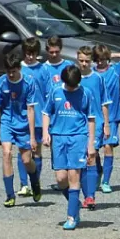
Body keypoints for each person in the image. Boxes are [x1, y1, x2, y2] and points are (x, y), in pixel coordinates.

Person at [42, 65, 96, 230]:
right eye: (70, 86)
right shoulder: (55, 91)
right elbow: (46, 112)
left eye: (75, 86)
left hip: (78, 138)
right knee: (61, 179)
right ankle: (76, 203)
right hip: (58, 138)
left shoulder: (86, 93)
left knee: (74, 176)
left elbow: (91, 118)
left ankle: (71, 216)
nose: (72, 89)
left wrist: (91, 143)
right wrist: (46, 132)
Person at [0, 53, 41, 207]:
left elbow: (31, 109)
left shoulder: (29, 82)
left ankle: (34, 181)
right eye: (8, 71)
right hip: (7, 123)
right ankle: (10, 195)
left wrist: (32, 137)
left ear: (19, 68)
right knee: (6, 153)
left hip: (23, 124)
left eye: (14, 71)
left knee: (26, 160)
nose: (11, 74)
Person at [93, 45, 120, 193]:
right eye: (98, 60)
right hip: (96, 116)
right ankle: (98, 170)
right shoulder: (92, 74)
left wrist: (111, 53)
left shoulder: (115, 70)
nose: (101, 62)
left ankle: (106, 181)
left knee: (108, 147)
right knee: (94, 150)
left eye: (103, 59)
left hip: (112, 116)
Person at [77, 46, 111, 209]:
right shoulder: (73, 77)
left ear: (92, 62)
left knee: (91, 154)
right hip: (78, 123)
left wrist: (106, 124)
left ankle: (90, 196)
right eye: (81, 61)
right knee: (83, 158)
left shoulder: (98, 78)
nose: (84, 64)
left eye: (87, 61)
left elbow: (104, 103)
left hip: (95, 122)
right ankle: (88, 186)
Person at [16, 37, 50, 197]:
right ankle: (24, 184)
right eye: (28, 53)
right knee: (23, 151)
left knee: (36, 152)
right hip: (21, 117)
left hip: (38, 117)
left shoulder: (43, 70)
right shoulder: (19, 69)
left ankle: (35, 180)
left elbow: (48, 94)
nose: (30, 57)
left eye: (33, 54)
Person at [44, 36, 73, 191]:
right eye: (51, 52)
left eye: (56, 51)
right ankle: (62, 175)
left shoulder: (68, 65)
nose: (54, 54)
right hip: (52, 113)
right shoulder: (44, 68)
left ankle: (72, 176)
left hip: (68, 111)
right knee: (56, 146)